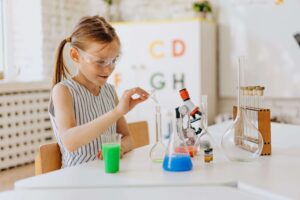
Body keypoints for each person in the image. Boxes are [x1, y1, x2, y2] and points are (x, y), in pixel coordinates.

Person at [49, 16, 149, 168]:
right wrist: (116, 112)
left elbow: (128, 138)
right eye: (100, 61)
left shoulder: (109, 91)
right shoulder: (63, 91)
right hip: (77, 179)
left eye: (113, 60)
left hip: (107, 175)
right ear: (76, 55)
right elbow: (70, 142)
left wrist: (121, 146)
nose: (108, 69)